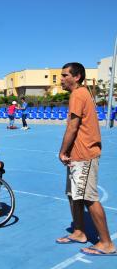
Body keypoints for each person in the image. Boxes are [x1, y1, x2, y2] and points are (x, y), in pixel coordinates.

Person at [55, 62, 115, 256]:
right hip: (76, 156)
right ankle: (80, 232)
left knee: (89, 197)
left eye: (65, 75)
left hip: (85, 155)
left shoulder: (78, 94)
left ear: (77, 76)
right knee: (74, 195)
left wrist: (62, 151)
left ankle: (106, 243)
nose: (62, 79)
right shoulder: (79, 94)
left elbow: (72, 127)